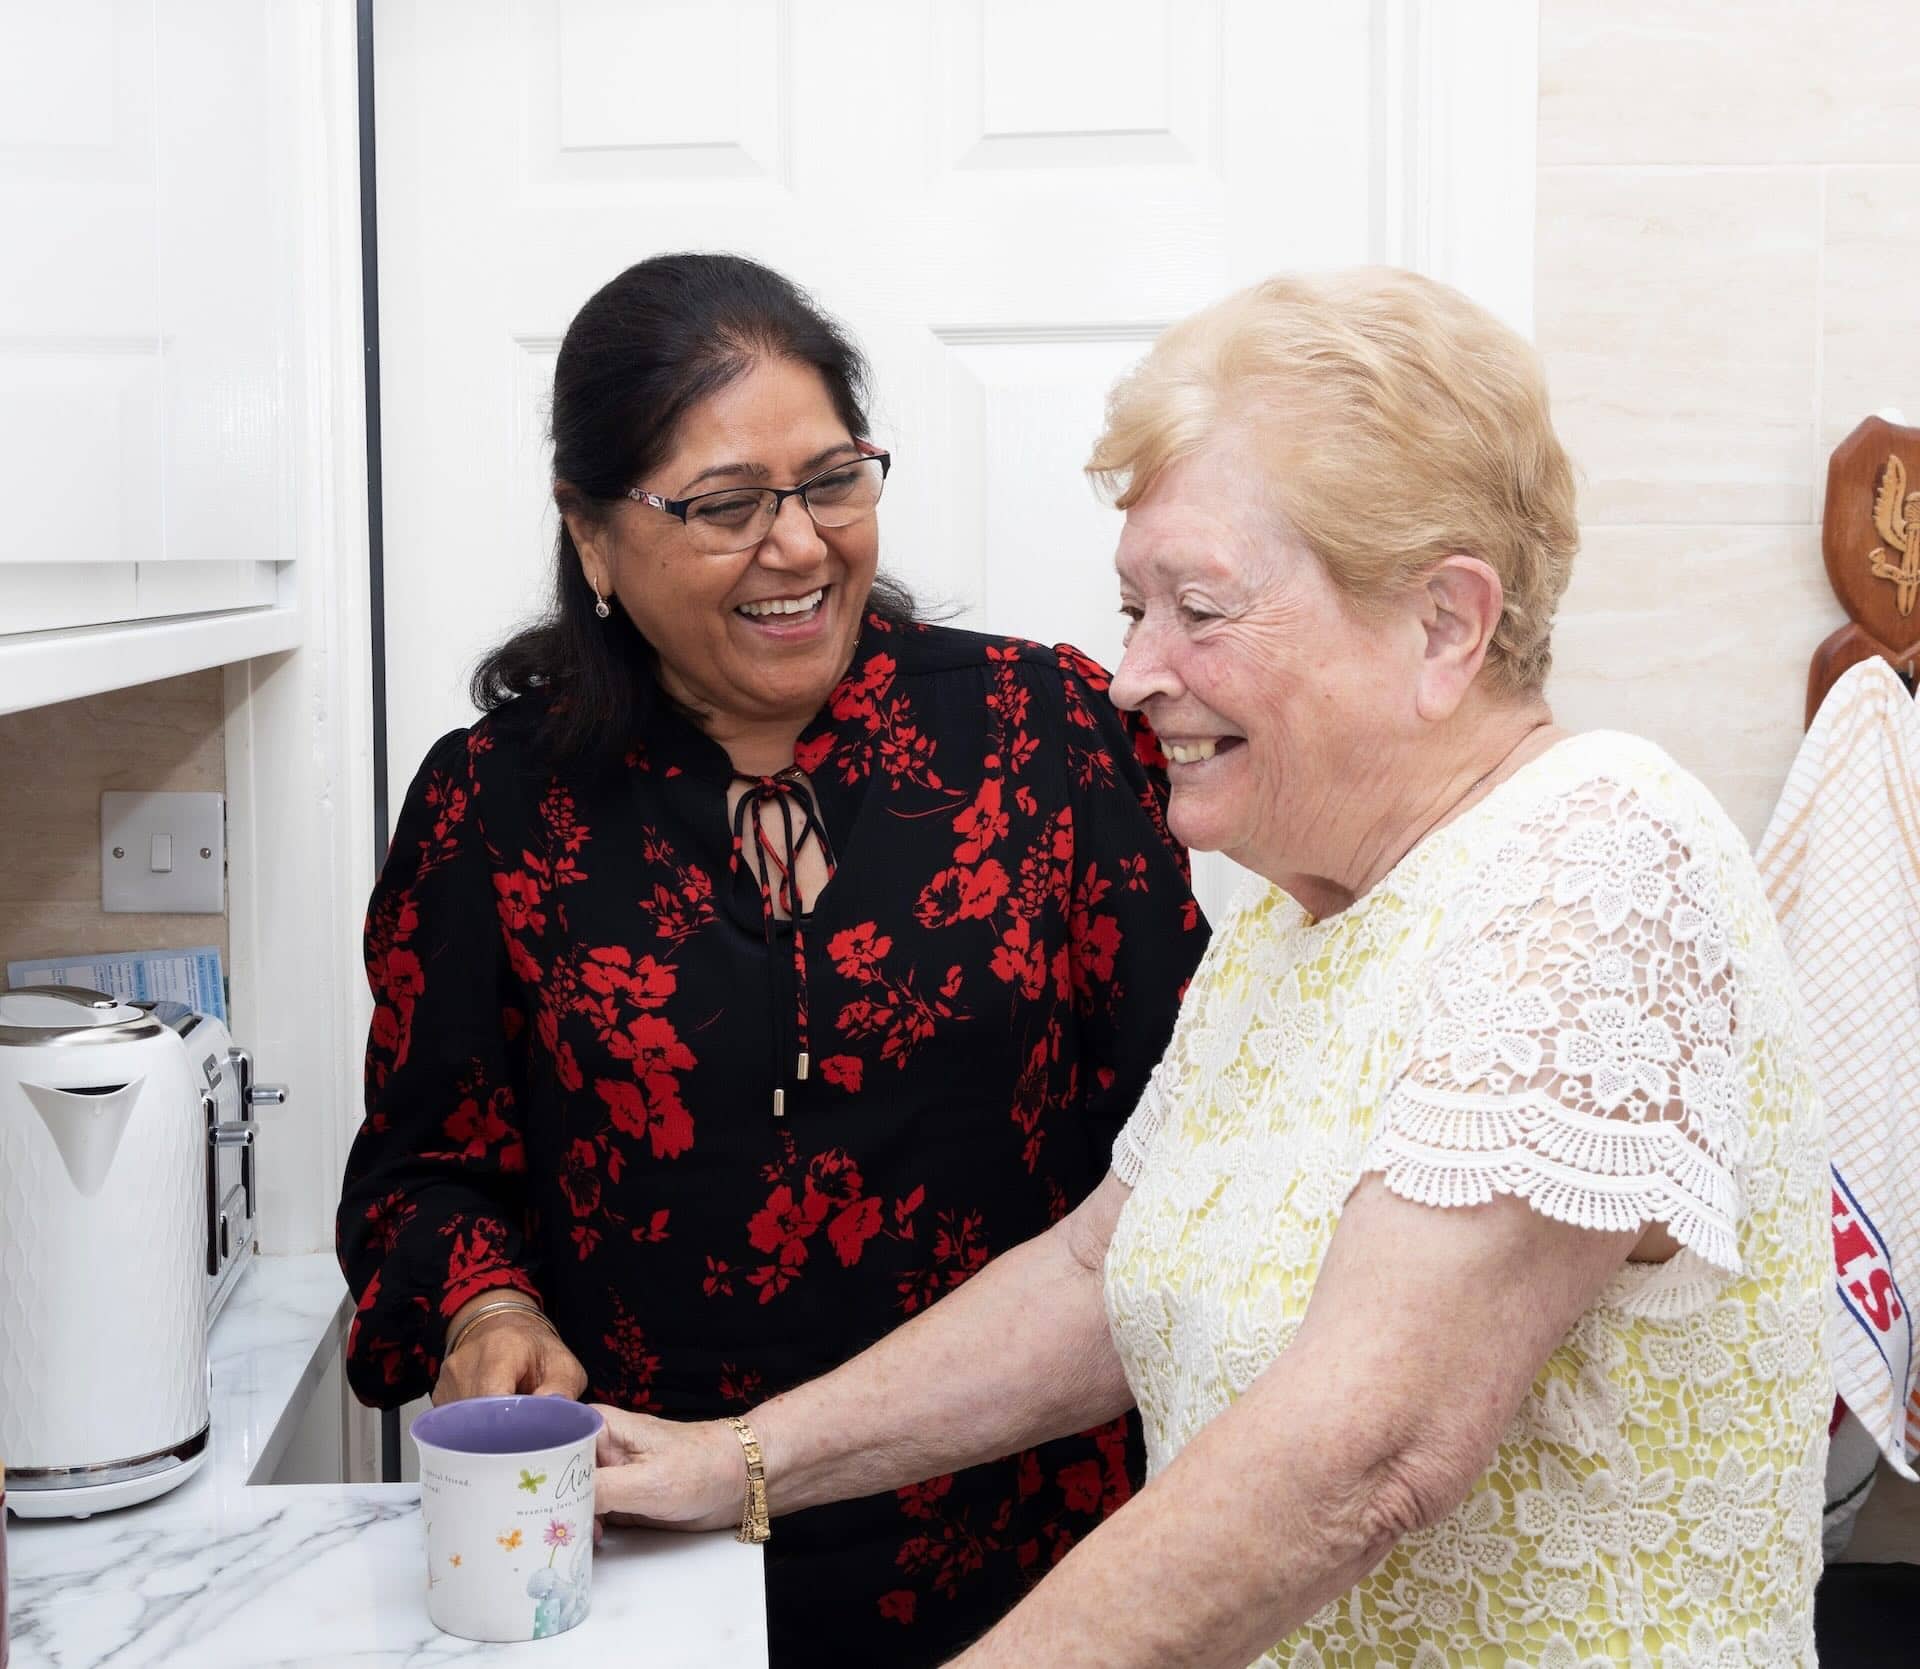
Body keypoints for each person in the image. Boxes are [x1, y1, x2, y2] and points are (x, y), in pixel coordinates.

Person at [591, 268, 1833, 1667]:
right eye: (1135, 608)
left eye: (1198, 608)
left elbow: (1371, 1450)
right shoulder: (1291, 919)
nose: (1133, 673)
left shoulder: (1600, 854)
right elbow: (1095, 1271)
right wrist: (731, 1465)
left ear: (1445, 626)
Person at [335, 253, 1207, 1667]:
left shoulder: (1043, 738)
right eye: (726, 506)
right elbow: (424, 1175)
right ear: (593, 533)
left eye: (832, 482)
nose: (798, 546)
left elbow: (1190, 1139)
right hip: (641, 1556)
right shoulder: (493, 808)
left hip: (1040, 1563)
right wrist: (487, 1300)